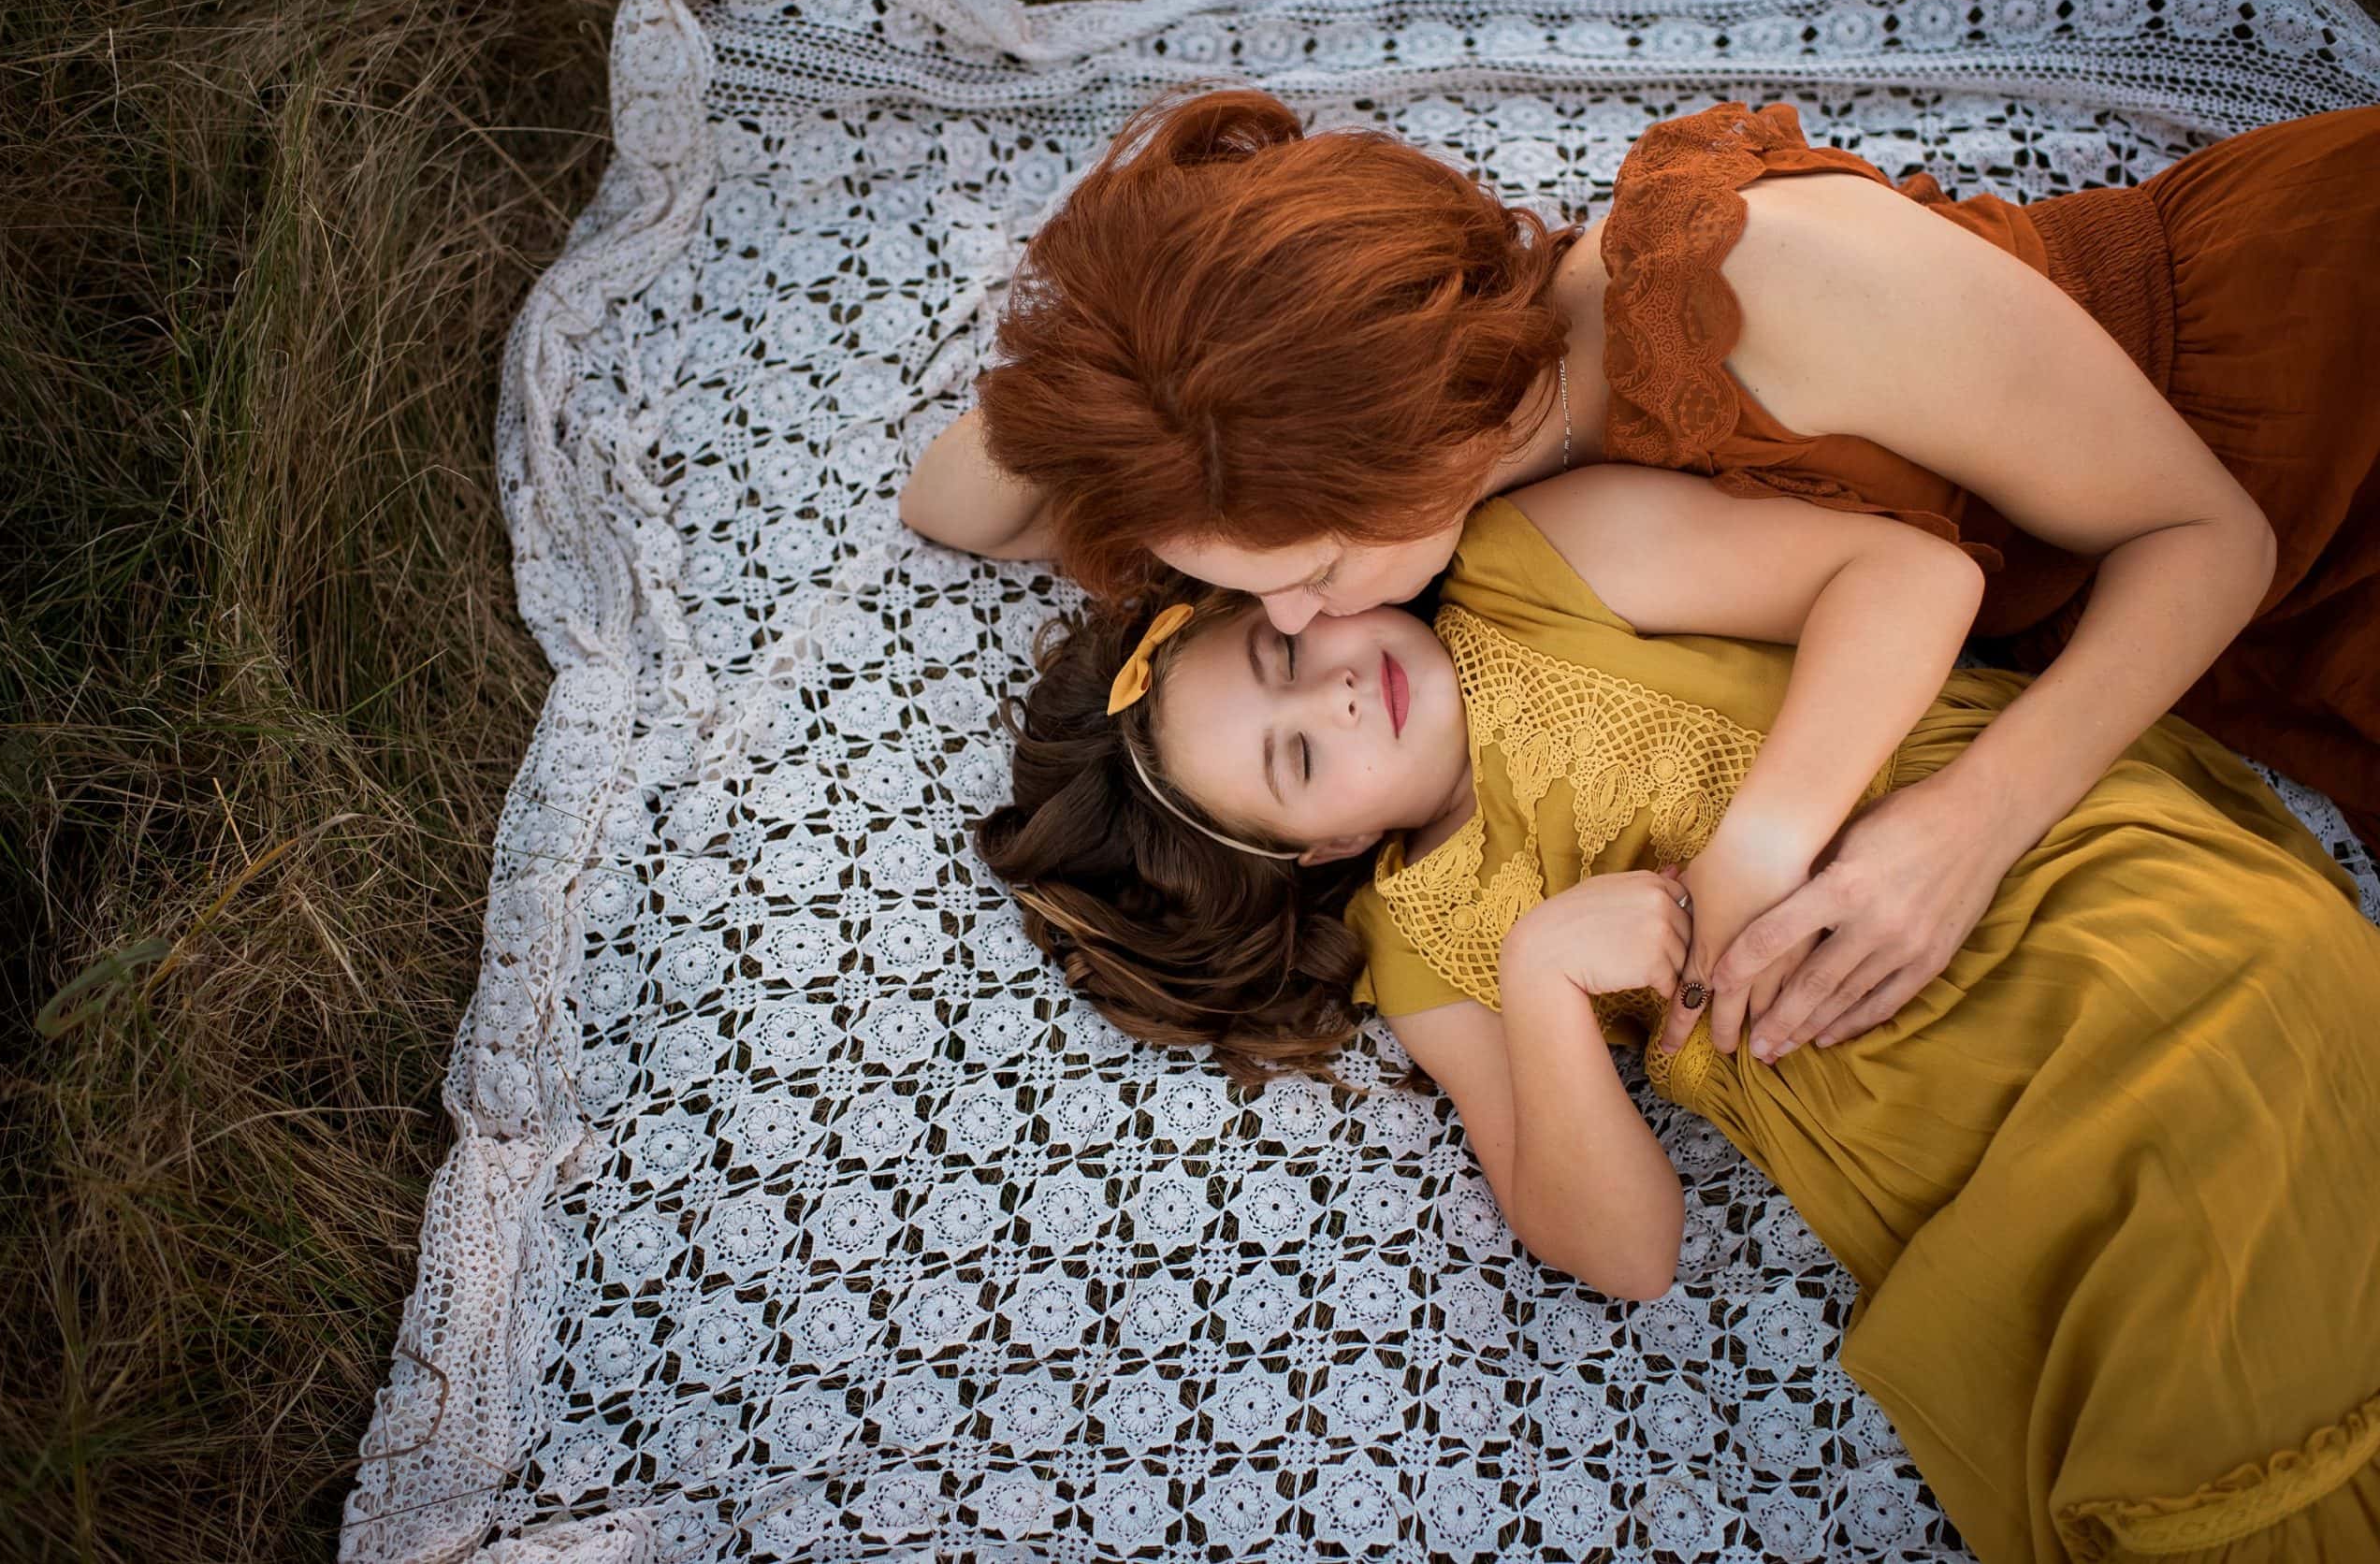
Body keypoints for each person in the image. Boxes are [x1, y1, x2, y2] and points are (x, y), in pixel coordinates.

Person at [974, 464, 2380, 1564]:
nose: (1338, 693)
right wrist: (1538, 982)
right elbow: (1629, 1251)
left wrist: (1762, 842)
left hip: (2047, 900)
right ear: (1314, 855)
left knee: (2219, 1228)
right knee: (2140, 1397)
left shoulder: (1534, 565)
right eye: (1298, 758)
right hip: (1942, 1152)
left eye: (1282, 659)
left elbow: (1901, 573)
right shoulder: (1417, 945)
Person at [912, 89, 2380, 1064]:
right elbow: (952, 501)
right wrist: (1143, 343)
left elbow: (2210, 540)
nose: (1291, 620)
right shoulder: (1366, 466)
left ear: (1423, 453)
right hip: (2144, 577)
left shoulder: (1770, 284)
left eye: (1315, 572)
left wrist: (1963, 827)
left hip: (2290, 400)